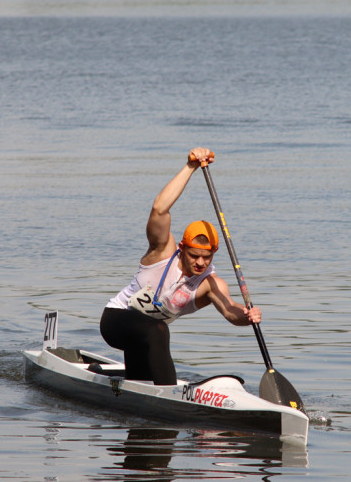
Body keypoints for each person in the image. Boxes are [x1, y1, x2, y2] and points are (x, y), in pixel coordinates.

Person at [100, 147, 261, 385]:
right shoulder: (162, 252)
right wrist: (190, 167)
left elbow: (230, 310)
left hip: (145, 338)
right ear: (183, 248)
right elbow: (159, 208)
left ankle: (137, 391)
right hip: (116, 320)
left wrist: (247, 317)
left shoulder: (210, 283)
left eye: (206, 258)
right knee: (158, 330)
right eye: (194, 256)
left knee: (142, 374)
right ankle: (169, 393)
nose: (200, 263)